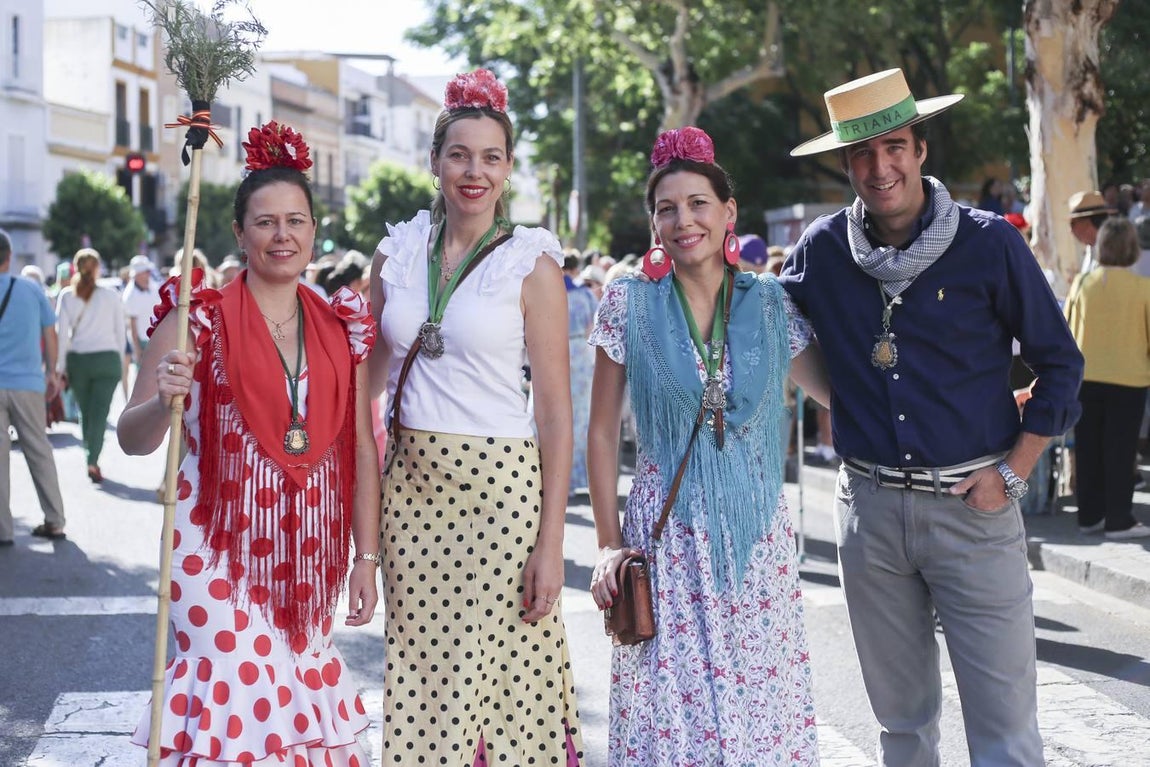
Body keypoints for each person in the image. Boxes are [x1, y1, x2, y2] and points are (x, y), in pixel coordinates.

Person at [782, 68, 1084, 766]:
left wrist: (1013, 471)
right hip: (869, 514)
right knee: (902, 730)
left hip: (974, 511)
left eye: (893, 147)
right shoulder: (823, 252)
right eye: (861, 153)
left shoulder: (988, 244)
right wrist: (841, 398)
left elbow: (1061, 365)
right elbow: (769, 325)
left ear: (920, 149)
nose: (878, 166)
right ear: (846, 162)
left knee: (1005, 732)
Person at [117, 120, 381, 765]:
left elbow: (361, 453)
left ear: (315, 231)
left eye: (296, 220)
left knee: (293, 702)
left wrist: (366, 558)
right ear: (240, 233)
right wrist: (163, 400)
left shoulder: (343, 327)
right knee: (237, 689)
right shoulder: (195, 319)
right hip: (213, 547)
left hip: (311, 554)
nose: (282, 235)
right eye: (265, 222)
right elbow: (132, 438)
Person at [587, 126, 828, 764]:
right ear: (653, 223)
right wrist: (608, 544)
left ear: (728, 213)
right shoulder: (628, 303)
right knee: (677, 725)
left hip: (754, 545)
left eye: (697, 203)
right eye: (666, 208)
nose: (682, 219)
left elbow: (837, 394)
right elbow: (601, 431)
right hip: (666, 545)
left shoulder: (772, 304)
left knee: (757, 719)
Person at [366, 68, 583, 764]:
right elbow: (362, 381)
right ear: (434, 163)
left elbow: (554, 412)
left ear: (508, 168)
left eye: (491, 157)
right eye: (459, 155)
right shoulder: (395, 252)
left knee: (502, 684)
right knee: (423, 683)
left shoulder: (531, 263)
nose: (474, 171)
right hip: (411, 498)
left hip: (501, 498)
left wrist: (552, 542)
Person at [1064, 217, 1150, 538]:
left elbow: (1068, 329)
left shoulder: (1082, 284)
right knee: (1120, 449)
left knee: (1088, 448)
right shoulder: (1144, 288)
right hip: (1129, 379)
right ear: (1132, 249)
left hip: (1087, 378)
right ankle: (1119, 518)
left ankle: (1089, 516)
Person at [0, 229, 67, 545]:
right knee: (38, 451)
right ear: (9, 258)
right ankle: (54, 519)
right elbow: (50, 333)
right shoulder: (30, 289)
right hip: (28, 382)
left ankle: (2, 530)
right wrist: (52, 372)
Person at [56, 247, 126, 483]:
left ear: (76, 267)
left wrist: (60, 367)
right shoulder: (112, 295)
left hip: (79, 361)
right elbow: (120, 333)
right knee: (100, 412)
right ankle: (93, 458)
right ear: (97, 268)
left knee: (86, 412)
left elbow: (62, 335)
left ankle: (90, 455)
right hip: (107, 360)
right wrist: (120, 363)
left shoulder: (67, 295)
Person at [563, 253, 598, 497]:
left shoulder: (550, 292)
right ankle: (576, 477)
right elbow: (591, 327)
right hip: (581, 353)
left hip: (556, 351)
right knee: (580, 416)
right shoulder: (584, 294)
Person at [123, 255, 160, 368]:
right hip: (143, 341)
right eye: (146, 271)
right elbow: (132, 324)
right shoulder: (130, 295)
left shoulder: (154, 286)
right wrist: (137, 349)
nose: (149, 274)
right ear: (138, 274)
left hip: (157, 337)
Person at [1069, 189, 1117, 277]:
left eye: (1073, 224)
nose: (1071, 231)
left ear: (1086, 223)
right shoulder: (1091, 249)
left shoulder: (1116, 250)